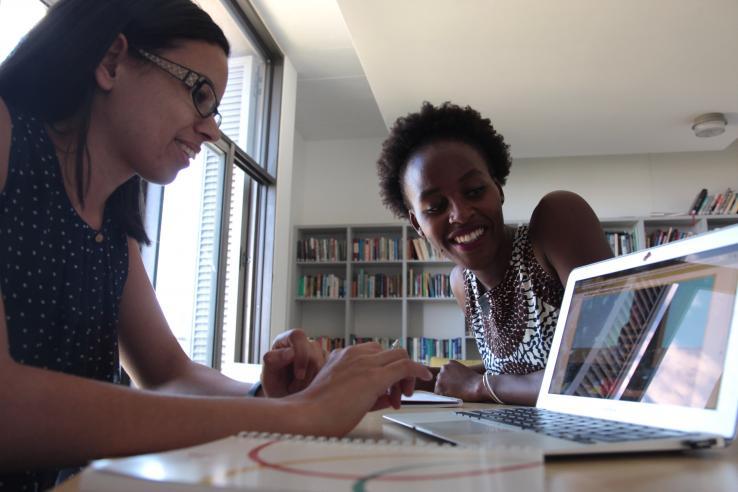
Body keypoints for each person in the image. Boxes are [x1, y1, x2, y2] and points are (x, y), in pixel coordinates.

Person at [0, 1, 430, 489]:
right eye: (199, 94)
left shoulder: (112, 232)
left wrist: (266, 398)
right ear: (112, 62)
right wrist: (305, 414)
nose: (211, 129)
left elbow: (168, 375)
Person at [376, 101, 612, 406]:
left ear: (497, 187)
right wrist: (428, 378)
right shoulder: (462, 284)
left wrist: (478, 387)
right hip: (518, 444)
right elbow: (515, 372)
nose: (460, 214)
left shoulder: (556, 222)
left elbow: (607, 369)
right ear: (417, 225)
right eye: (435, 207)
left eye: (474, 190)